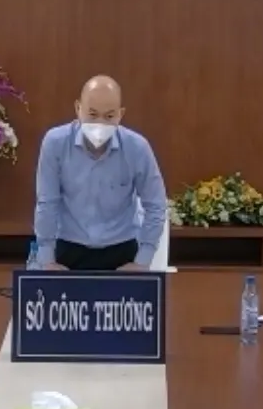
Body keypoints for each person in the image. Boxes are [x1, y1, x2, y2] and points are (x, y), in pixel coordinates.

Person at [33, 75, 167, 271]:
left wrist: (142, 261)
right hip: (67, 247)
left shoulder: (137, 147)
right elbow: (47, 202)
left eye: (109, 116)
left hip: (122, 249)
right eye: (92, 114)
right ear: (78, 108)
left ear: (121, 114)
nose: (100, 124)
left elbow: (156, 205)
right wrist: (47, 260)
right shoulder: (55, 143)